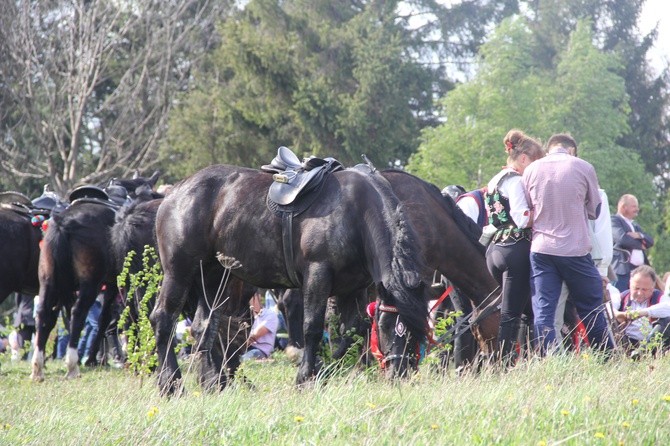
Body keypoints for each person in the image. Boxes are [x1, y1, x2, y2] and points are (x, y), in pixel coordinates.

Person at [522, 133, 613, 355]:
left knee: (544, 311)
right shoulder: (583, 167)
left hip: (541, 249)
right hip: (575, 249)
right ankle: (608, 358)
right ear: (571, 150)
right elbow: (594, 211)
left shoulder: (531, 170)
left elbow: (528, 210)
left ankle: (552, 361)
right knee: (591, 307)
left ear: (549, 148)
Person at [484, 129, 544, 365]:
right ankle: (504, 364)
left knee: (526, 309)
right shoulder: (516, 180)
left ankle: (529, 359)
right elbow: (521, 218)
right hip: (515, 249)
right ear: (523, 159)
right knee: (511, 314)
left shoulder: (494, 179)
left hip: (495, 250)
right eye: (535, 164)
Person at [554, 149, 614, 347]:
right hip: (558, 257)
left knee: (591, 311)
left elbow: (602, 231)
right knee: (561, 313)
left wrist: (602, 270)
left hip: (583, 258)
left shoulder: (599, 194)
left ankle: (605, 353)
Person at [610, 265, 670, 353]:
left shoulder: (659, 297)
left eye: (644, 290)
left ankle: (641, 352)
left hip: (652, 344)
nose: (639, 293)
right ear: (630, 284)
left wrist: (641, 313)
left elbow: (668, 308)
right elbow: (608, 308)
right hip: (625, 342)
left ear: (652, 287)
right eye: (636, 288)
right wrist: (618, 314)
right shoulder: (622, 296)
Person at [611, 194, 654, 292]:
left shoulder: (635, 225)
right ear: (623, 207)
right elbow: (622, 239)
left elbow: (650, 241)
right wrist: (641, 245)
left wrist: (639, 235)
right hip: (622, 270)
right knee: (619, 299)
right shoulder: (614, 220)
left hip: (638, 272)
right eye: (634, 206)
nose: (637, 209)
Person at [240, 290, 279, 362]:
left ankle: (265, 360)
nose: (249, 301)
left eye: (251, 298)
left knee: (242, 359)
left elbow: (255, 335)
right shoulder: (245, 316)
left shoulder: (270, 315)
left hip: (259, 350)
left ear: (259, 297)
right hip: (244, 349)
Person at [8, 293, 36, 361]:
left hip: (24, 314)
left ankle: (22, 360)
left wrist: (21, 309)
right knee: (39, 345)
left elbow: (18, 299)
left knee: (22, 348)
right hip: (37, 316)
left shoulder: (23, 284)